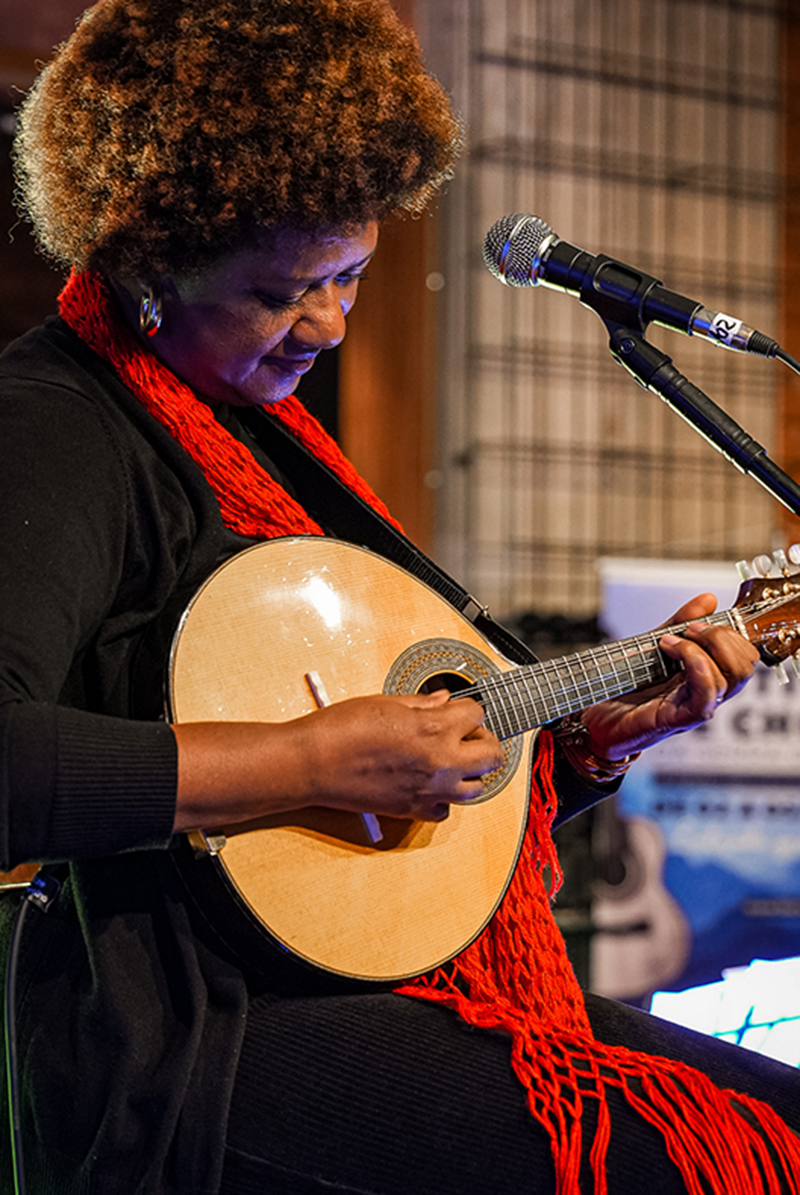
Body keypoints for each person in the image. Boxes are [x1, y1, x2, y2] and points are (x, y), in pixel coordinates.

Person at [0, 1, 798, 1192]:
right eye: (284, 290)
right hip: (188, 1034)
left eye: (352, 274)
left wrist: (583, 750)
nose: (324, 321)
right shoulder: (58, 425)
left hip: (342, 984)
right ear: (145, 263)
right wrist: (305, 759)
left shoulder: (267, 436)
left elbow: (358, 860)